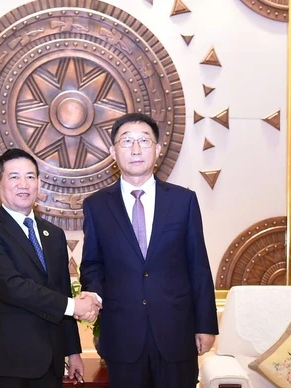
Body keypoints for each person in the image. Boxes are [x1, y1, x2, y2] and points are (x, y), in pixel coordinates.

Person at [79, 112, 219, 388]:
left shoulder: (183, 201)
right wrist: (93, 295)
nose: (135, 149)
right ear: (113, 152)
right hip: (122, 335)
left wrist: (206, 324)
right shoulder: (96, 205)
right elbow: (93, 264)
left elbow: (198, 265)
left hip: (176, 333)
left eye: (144, 141)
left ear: (157, 150)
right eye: (126, 141)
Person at [0, 148, 101, 388]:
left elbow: (61, 290)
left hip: (49, 363)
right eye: (14, 177)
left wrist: (73, 352)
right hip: (5, 364)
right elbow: (12, 287)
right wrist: (75, 306)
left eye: (30, 177)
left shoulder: (54, 234)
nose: (24, 184)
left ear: (39, 184)